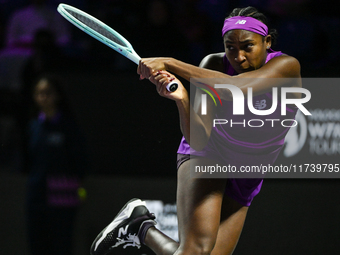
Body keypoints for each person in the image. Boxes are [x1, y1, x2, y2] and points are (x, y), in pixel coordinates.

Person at [90, 6, 301, 255]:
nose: (239, 56)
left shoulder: (286, 66)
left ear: (266, 42)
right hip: (209, 154)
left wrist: (170, 62)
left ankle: (140, 227)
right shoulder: (213, 64)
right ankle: (139, 227)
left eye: (247, 46)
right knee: (197, 250)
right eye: (230, 47)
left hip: (248, 171)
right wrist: (182, 100)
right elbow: (198, 139)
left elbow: (237, 88)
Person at [23, 75, 89, 255]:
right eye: (38, 93)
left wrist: (79, 189)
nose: (42, 97)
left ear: (57, 95)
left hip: (63, 195)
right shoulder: (33, 126)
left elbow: (80, 161)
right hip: (37, 195)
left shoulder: (69, 126)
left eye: (47, 93)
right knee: (37, 243)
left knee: (61, 244)